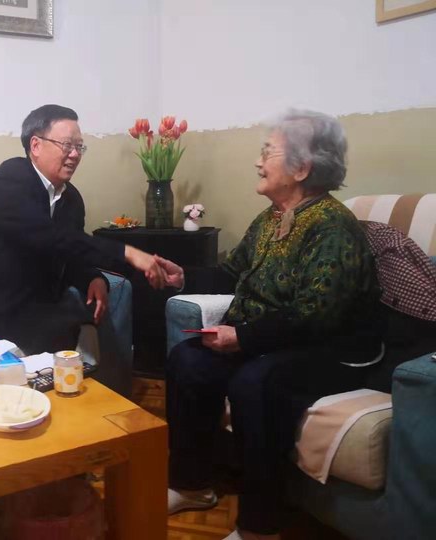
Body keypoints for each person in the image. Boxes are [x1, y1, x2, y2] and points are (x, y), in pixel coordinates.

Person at [156, 109, 385, 540]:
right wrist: (183, 276)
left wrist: (243, 337)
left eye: (267, 152)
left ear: (301, 168)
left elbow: (316, 314)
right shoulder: (270, 218)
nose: (258, 162)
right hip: (273, 341)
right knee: (188, 360)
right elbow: (231, 274)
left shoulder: (332, 227)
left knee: (254, 383)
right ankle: (192, 485)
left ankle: (259, 527)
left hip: (332, 350)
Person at [0, 104, 164, 395]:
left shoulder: (72, 199)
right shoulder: (11, 178)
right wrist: (128, 252)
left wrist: (92, 277)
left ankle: (112, 400)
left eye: (79, 147)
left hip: (24, 308)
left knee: (62, 344)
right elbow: (49, 237)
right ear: (36, 145)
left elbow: (70, 252)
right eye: (67, 145)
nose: (75, 154)